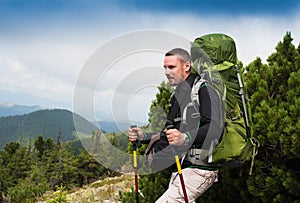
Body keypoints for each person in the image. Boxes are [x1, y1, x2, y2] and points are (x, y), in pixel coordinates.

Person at [128, 48, 224, 202]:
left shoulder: (204, 89)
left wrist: (186, 138)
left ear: (186, 66)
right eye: (165, 68)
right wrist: (143, 137)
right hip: (182, 167)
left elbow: (214, 128)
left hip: (200, 169)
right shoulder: (178, 94)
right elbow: (170, 132)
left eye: (171, 67)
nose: (166, 72)